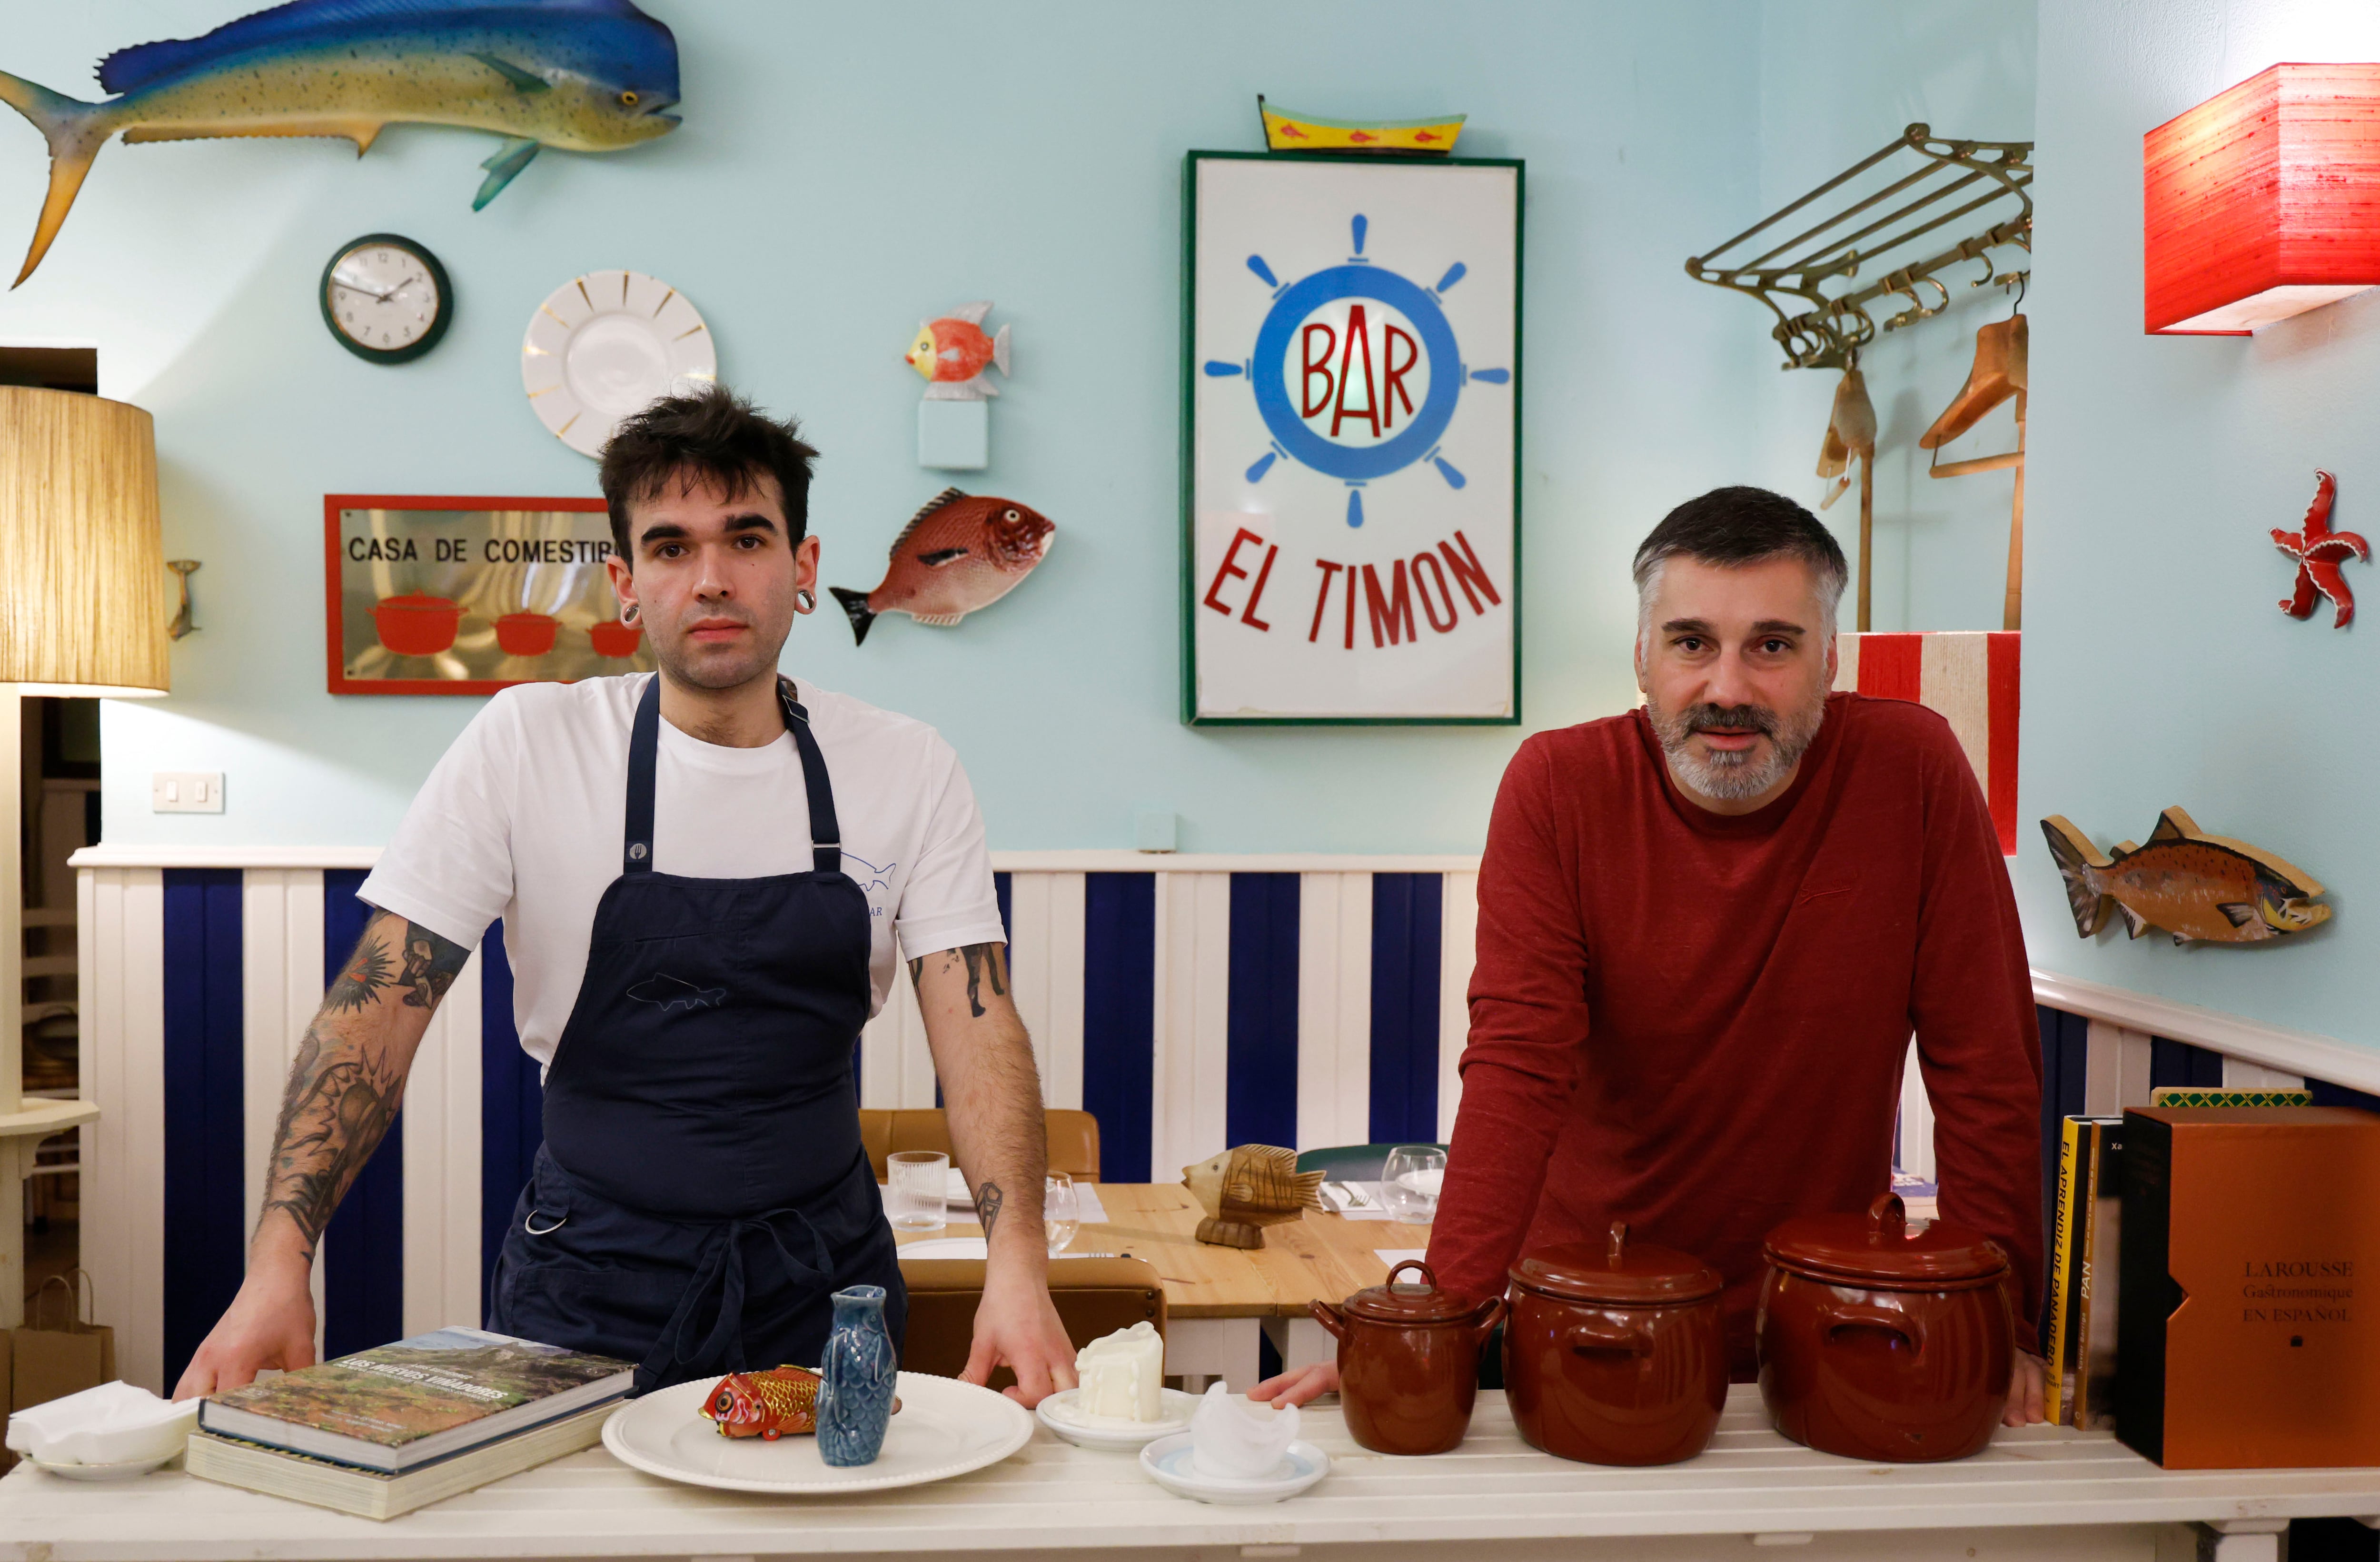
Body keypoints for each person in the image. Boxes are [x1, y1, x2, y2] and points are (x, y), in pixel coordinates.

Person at [177, 387, 1077, 1403]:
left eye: (747, 538)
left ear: (805, 570)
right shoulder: (526, 744)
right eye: (670, 547)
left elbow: (978, 1021)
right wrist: (277, 1267)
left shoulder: (907, 767)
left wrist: (1018, 1265)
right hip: (585, 1281)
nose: (712, 579)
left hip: (822, 1283)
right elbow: (375, 1009)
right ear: (625, 582)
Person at [1255, 486, 2046, 1423]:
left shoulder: (1912, 768)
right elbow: (1518, 1063)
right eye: (1690, 642)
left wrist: (1996, 1321)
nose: (1727, 689)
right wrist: (1434, 1323)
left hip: (1824, 1329)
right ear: (1640, 657)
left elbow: (1986, 1068)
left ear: (1829, 661)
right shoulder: (1557, 787)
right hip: (1578, 1319)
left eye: (1773, 644)